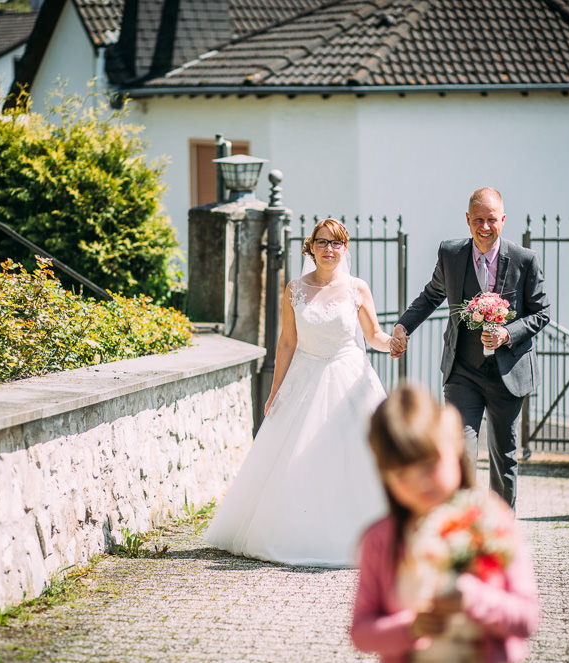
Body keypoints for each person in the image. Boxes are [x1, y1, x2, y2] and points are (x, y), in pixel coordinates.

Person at [203, 218, 392, 567]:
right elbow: (288, 341)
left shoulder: (357, 289)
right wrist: (276, 390)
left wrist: (392, 342)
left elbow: (373, 335)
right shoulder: (295, 289)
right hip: (305, 377)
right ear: (311, 247)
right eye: (322, 242)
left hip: (351, 379)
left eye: (336, 244)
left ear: (344, 249)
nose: (329, 249)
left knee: (358, 457)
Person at [350, 384, 540, 663]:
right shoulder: (381, 540)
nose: (420, 483)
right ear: (385, 477)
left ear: (452, 448)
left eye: (429, 465)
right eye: (402, 473)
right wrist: (411, 627)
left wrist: (473, 598)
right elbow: (362, 632)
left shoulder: (491, 519)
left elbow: (527, 617)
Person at [389, 188, 550, 509]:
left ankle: (500, 531)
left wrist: (507, 334)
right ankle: (460, 526)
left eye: (492, 219)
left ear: (503, 220)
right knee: (458, 452)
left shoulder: (524, 260)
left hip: (508, 373)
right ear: (467, 220)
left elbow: (541, 312)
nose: (485, 226)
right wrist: (403, 325)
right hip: (463, 371)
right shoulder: (450, 255)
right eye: (478, 219)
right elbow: (431, 295)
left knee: (504, 457)